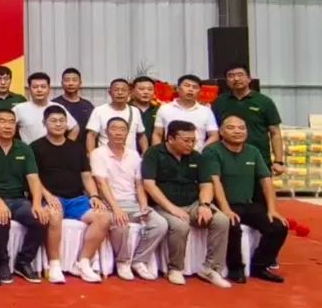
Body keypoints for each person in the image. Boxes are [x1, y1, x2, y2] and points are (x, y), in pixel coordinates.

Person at [142, 119, 231, 287]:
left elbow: (206, 185)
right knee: (180, 226)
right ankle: (175, 269)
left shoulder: (197, 157)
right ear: (170, 138)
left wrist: (204, 205)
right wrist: (172, 208)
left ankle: (211, 269)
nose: (191, 144)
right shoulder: (153, 154)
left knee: (221, 220)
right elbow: (149, 185)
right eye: (186, 140)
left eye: (193, 140)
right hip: (163, 204)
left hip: (193, 203)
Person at [205, 115, 287, 284]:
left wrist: (272, 209)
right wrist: (226, 209)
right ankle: (235, 269)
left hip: (247, 204)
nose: (237, 131)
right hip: (222, 204)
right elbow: (215, 181)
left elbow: (266, 180)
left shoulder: (253, 151)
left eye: (241, 128)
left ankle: (260, 266)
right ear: (221, 132)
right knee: (232, 225)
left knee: (278, 226)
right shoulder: (212, 151)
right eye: (231, 128)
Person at [32, 107, 109, 283]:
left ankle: (84, 262)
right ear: (44, 123)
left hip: (76, 199)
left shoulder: (77, 148)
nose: (58, 124)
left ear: (67, 124)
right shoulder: (35, 147)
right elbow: (33, 178)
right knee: (54, 213)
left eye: (62, 120)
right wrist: (48, 196)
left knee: (103, 217)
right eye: (53, 121)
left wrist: (94, 195)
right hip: (51, 198)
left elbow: (86, 176)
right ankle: (54, 265)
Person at [0, 108, 50, 284]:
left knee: (40, 218)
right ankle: (2, 262)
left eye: (11, 122)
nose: (8, 126)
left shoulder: (24, 148)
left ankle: (23, 262)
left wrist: (37, 203)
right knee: (1, 219)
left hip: (19, 200)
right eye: (2, 121)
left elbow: (33, 179)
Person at [90, 117, 167, 281]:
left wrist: (144, 205)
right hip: (109, 203)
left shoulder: (134, 155)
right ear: (106, 132)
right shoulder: (98, 154)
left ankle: (139, 260)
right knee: (121, 224)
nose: (118, 133)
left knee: (160, 224)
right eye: (114, 129)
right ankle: (123, 261)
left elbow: (139, 184)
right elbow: (102, 184)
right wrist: (116, 209)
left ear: (127, 133)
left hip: (133, 203)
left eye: (122, 129)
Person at [212, 64, 284, 174]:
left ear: (249, 79)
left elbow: (275, 132)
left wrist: (278, 161)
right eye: (231, 76)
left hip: (259, 158)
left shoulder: (264, 102)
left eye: (240, 75)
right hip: (226, 158)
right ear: (227, 81)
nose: (236, 79)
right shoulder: (220, 101)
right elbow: (214, 131)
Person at [153, 75, 218, 151]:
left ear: (200, 91)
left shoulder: (206, 111)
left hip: (197, 154)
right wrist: (158, 153)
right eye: (187, 86)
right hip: (170, 155)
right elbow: (157, 134)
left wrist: (202, 151)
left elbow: (214, 135)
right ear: (178, 89)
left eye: (195, 87)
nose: (190, 89)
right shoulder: (165, 108)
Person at [12, 72, 79, 144]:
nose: (39, 90)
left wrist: (67, 146)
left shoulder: (57, 107)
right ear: (29, 90)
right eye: (35, 87)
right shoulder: (19, 109)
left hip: (53, 150)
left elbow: (75, 128)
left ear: (49, 89)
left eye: (43, 87)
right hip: (30, 150)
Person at [85, 79, 146, 153]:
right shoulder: (99, 110)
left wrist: (145, 153)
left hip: (129, 157)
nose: (120, 93)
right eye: (116, 90)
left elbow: (141, 135)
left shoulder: (135, 111)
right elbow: (91, 135)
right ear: (110, 93)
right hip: (105, 156)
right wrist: (91, 154)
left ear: (129, 93)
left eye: (123, 90)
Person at [0, 65, 27, 138]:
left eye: (6, 79)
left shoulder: (20, 99)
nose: (3, 83)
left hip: (16, 140)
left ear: (11, 80)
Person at [53, 67, 94, 135]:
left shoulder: (88, 105)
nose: (71, 83)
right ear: (62, 83)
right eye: (67, 80)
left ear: (80, 83)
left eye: (74, 80)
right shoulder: (54, 104)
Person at [130, 76, 159, 146]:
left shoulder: (159, 110)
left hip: (153, 150)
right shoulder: (127, 109)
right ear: (132, 91)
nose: (146, 92)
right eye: (141, 89)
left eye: (150, 89)